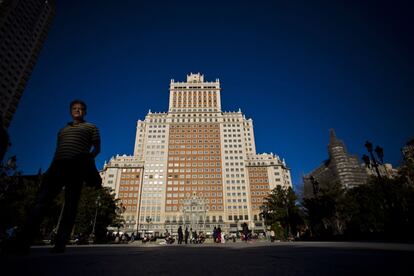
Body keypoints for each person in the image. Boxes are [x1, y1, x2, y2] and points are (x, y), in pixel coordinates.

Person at [13, 100, 101, 254]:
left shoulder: (91, 127)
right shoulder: (62, 130)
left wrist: (87, 159)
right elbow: (58, 150)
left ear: (85, 111)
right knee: (41, 202)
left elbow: (97, 148)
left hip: (76, 167)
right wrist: (50, 168)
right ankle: (24, 241)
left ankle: (60, 243)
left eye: (81, 109)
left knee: (70, 206)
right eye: (75, 108)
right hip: (57, 167)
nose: (77, 111)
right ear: (70, 111)